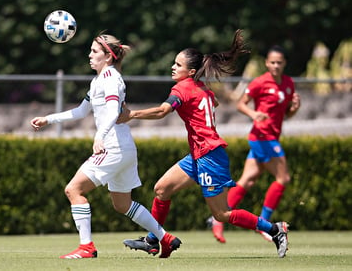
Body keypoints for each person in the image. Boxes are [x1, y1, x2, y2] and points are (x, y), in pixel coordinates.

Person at [119, 30, 289, 258]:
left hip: (209, 155)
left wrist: (131, 115)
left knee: (222, 214)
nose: (173, 67)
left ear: (190, 71)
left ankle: (275, 230)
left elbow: (162, 111)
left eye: (177, 65)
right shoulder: (202, 89)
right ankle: (152, 240)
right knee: (161, 189)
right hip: (200, 155)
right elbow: (214, 102)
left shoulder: (183, 88)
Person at [30, 33, 181, 259]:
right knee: (123, 205)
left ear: (108, 57)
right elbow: (81, 111)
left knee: (73, 190)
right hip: (124, 148)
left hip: (113, 147)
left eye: (94, 51)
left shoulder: (110, 77)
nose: (89, 55)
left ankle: (86, 247)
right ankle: (165, 238)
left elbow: (112, 111)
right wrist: (49, 119)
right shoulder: (99, 80)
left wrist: (100, 136)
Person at [209, 45, 301, 244]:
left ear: (284, 63)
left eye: (279, 62)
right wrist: (254, 114)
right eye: (272, 62)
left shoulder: (288, 83)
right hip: (262, 137)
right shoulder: (260, 82)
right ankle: (265, 223)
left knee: (247, 180)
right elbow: (240, 103)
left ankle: (217, 219)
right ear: (267, 63)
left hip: (271, 137)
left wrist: (295, 108)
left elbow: (287, 115)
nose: (276, 65)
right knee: (283, 177)